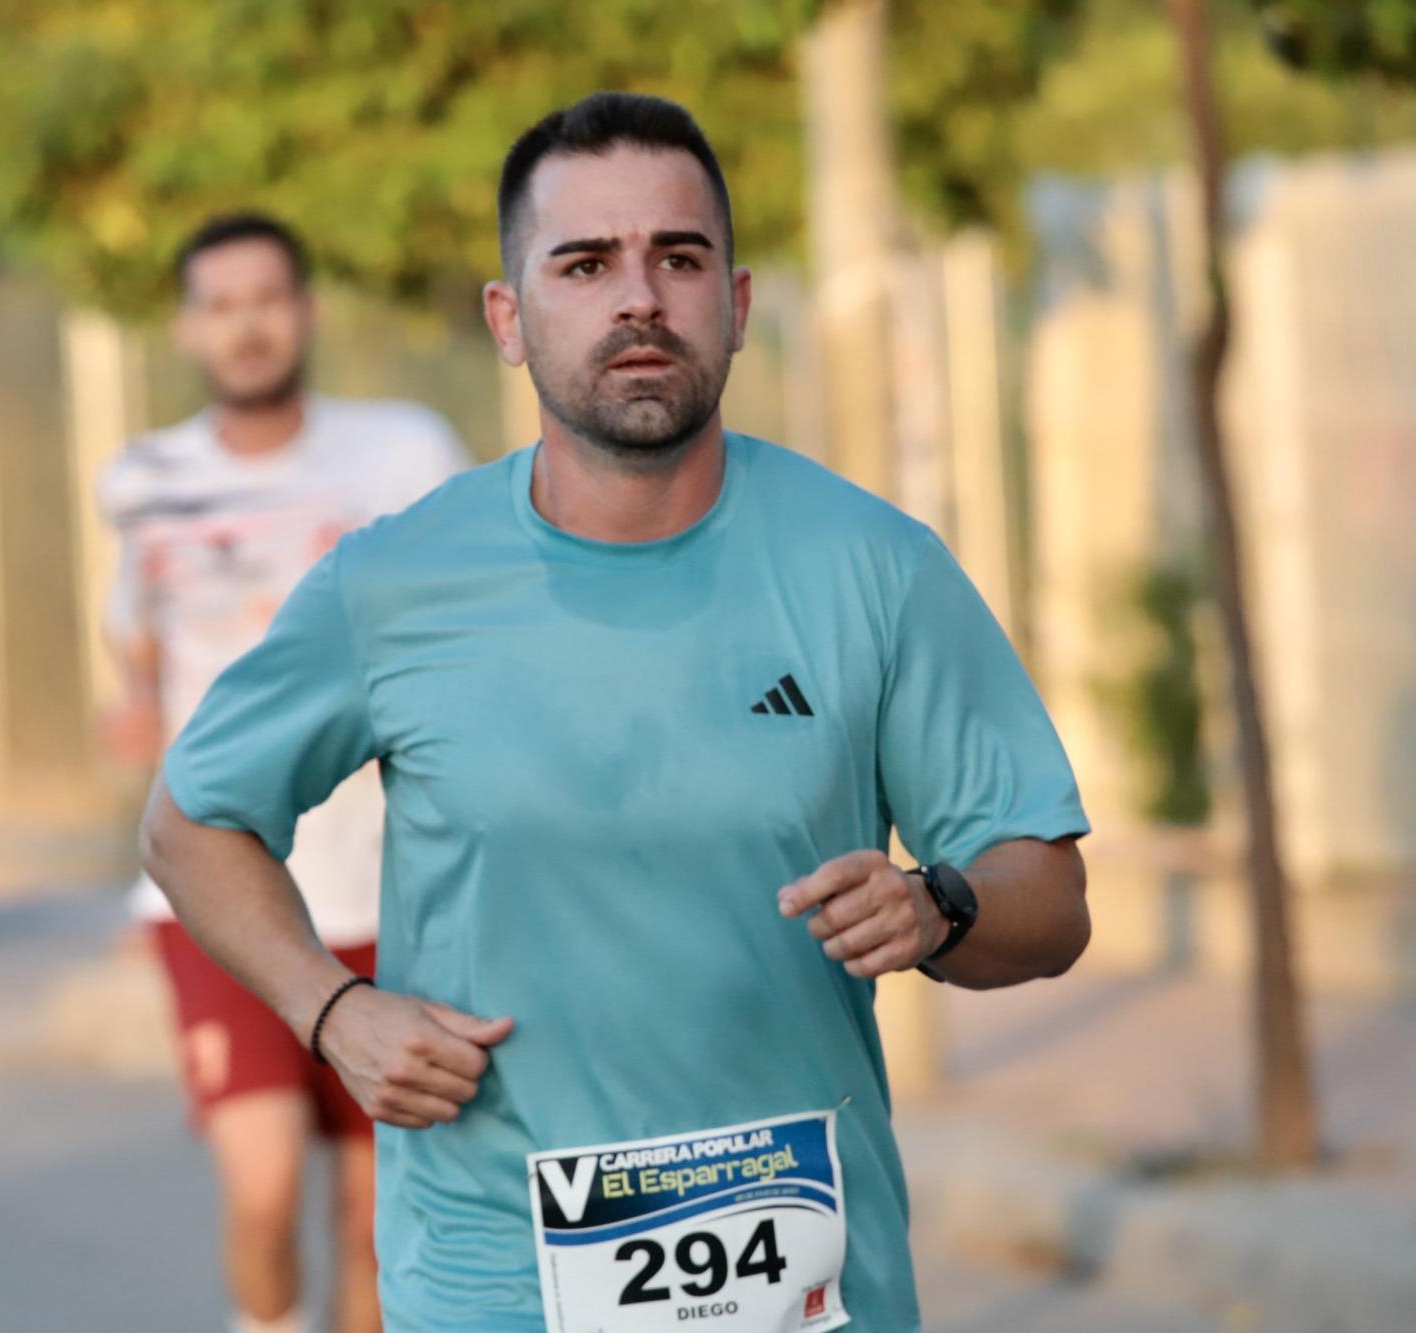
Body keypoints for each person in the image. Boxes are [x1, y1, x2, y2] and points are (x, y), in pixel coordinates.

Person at [140, 94, 1091, 1332]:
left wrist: (937, 904)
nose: (637, 296)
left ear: (736, 304)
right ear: (509, 319)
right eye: (584, 264)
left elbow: (1051, 898)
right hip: (491, 1279)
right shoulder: (393, 582)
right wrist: (332, 1008)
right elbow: (189, 822)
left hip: (806, 1290)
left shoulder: (876, 566)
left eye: (677, 258)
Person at [98, 211, 470, 1333]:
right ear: (188, 327)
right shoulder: (146, 481)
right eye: (220, 305)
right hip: (225, 895)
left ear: (303, 310)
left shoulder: (404, 453)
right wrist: (148, 835)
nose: (246, 326)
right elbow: (139, 665)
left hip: (395, 890)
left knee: (372, 1220)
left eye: (266, 298)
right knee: (261, 1196)